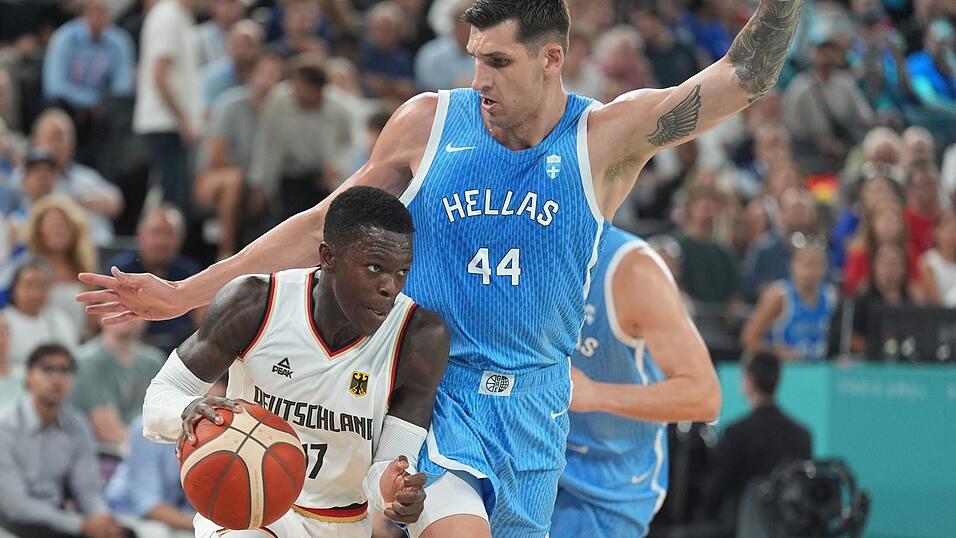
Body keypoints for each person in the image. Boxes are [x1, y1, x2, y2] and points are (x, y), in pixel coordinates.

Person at [79, 0, 807, 535]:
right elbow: (320, 226)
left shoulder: (604, 137)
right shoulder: (430, 122)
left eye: (498, 61)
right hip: (427, 389)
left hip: (532, 407)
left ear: (552, 59)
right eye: (473, 58)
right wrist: (185, 292)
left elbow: (745, 75)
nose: (479, 77)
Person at [142, 187, 448, 537]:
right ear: (328, 257)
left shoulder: (419, 337)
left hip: (340, 522)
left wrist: (393, 490)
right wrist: (188, 409)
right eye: (375, 268)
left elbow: (388, 466)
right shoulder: (256, 302)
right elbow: (159, 397)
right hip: (246, 511)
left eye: (401, 273)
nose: (388, 288)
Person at [551, 226, 720, 537]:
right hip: (538, 459)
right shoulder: (525, 246)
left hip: (609, 481)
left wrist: (596, 394)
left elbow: (704, 396)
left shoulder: (634, 267)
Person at [0, 344, 132, 538]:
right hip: (13, 520)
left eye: (65, 370)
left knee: (124, 533)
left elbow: (87, 488)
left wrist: (102, 517)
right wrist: (80, 525)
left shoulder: (77, 425)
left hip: (59, 515)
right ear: (28, 376)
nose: (57, 378)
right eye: (47, 369)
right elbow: (15, 505)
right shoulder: (5, 427)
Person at [701, 350, 812, 527]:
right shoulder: (802, 434)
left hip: (742, 526)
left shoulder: (737, 432)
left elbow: (717, 488)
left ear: (749, 380)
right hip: (787, 529)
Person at [71, 317, 164, 455]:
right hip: (103, 455)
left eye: (133, 308)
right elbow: (107, 430)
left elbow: (164, 417)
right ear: (99, 314)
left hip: (150, 448)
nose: (125, 314)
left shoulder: (153, 360)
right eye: (117, 305)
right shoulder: (87, 361)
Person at [741, 242, 837, 362]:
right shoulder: (779, 295)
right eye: (806, 264)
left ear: (824, 269)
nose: (810, 271)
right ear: (793, 266)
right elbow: (749, 338)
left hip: (819, 369)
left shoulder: (831, 296)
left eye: (816, 265)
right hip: (784, 370)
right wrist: (778, 353)